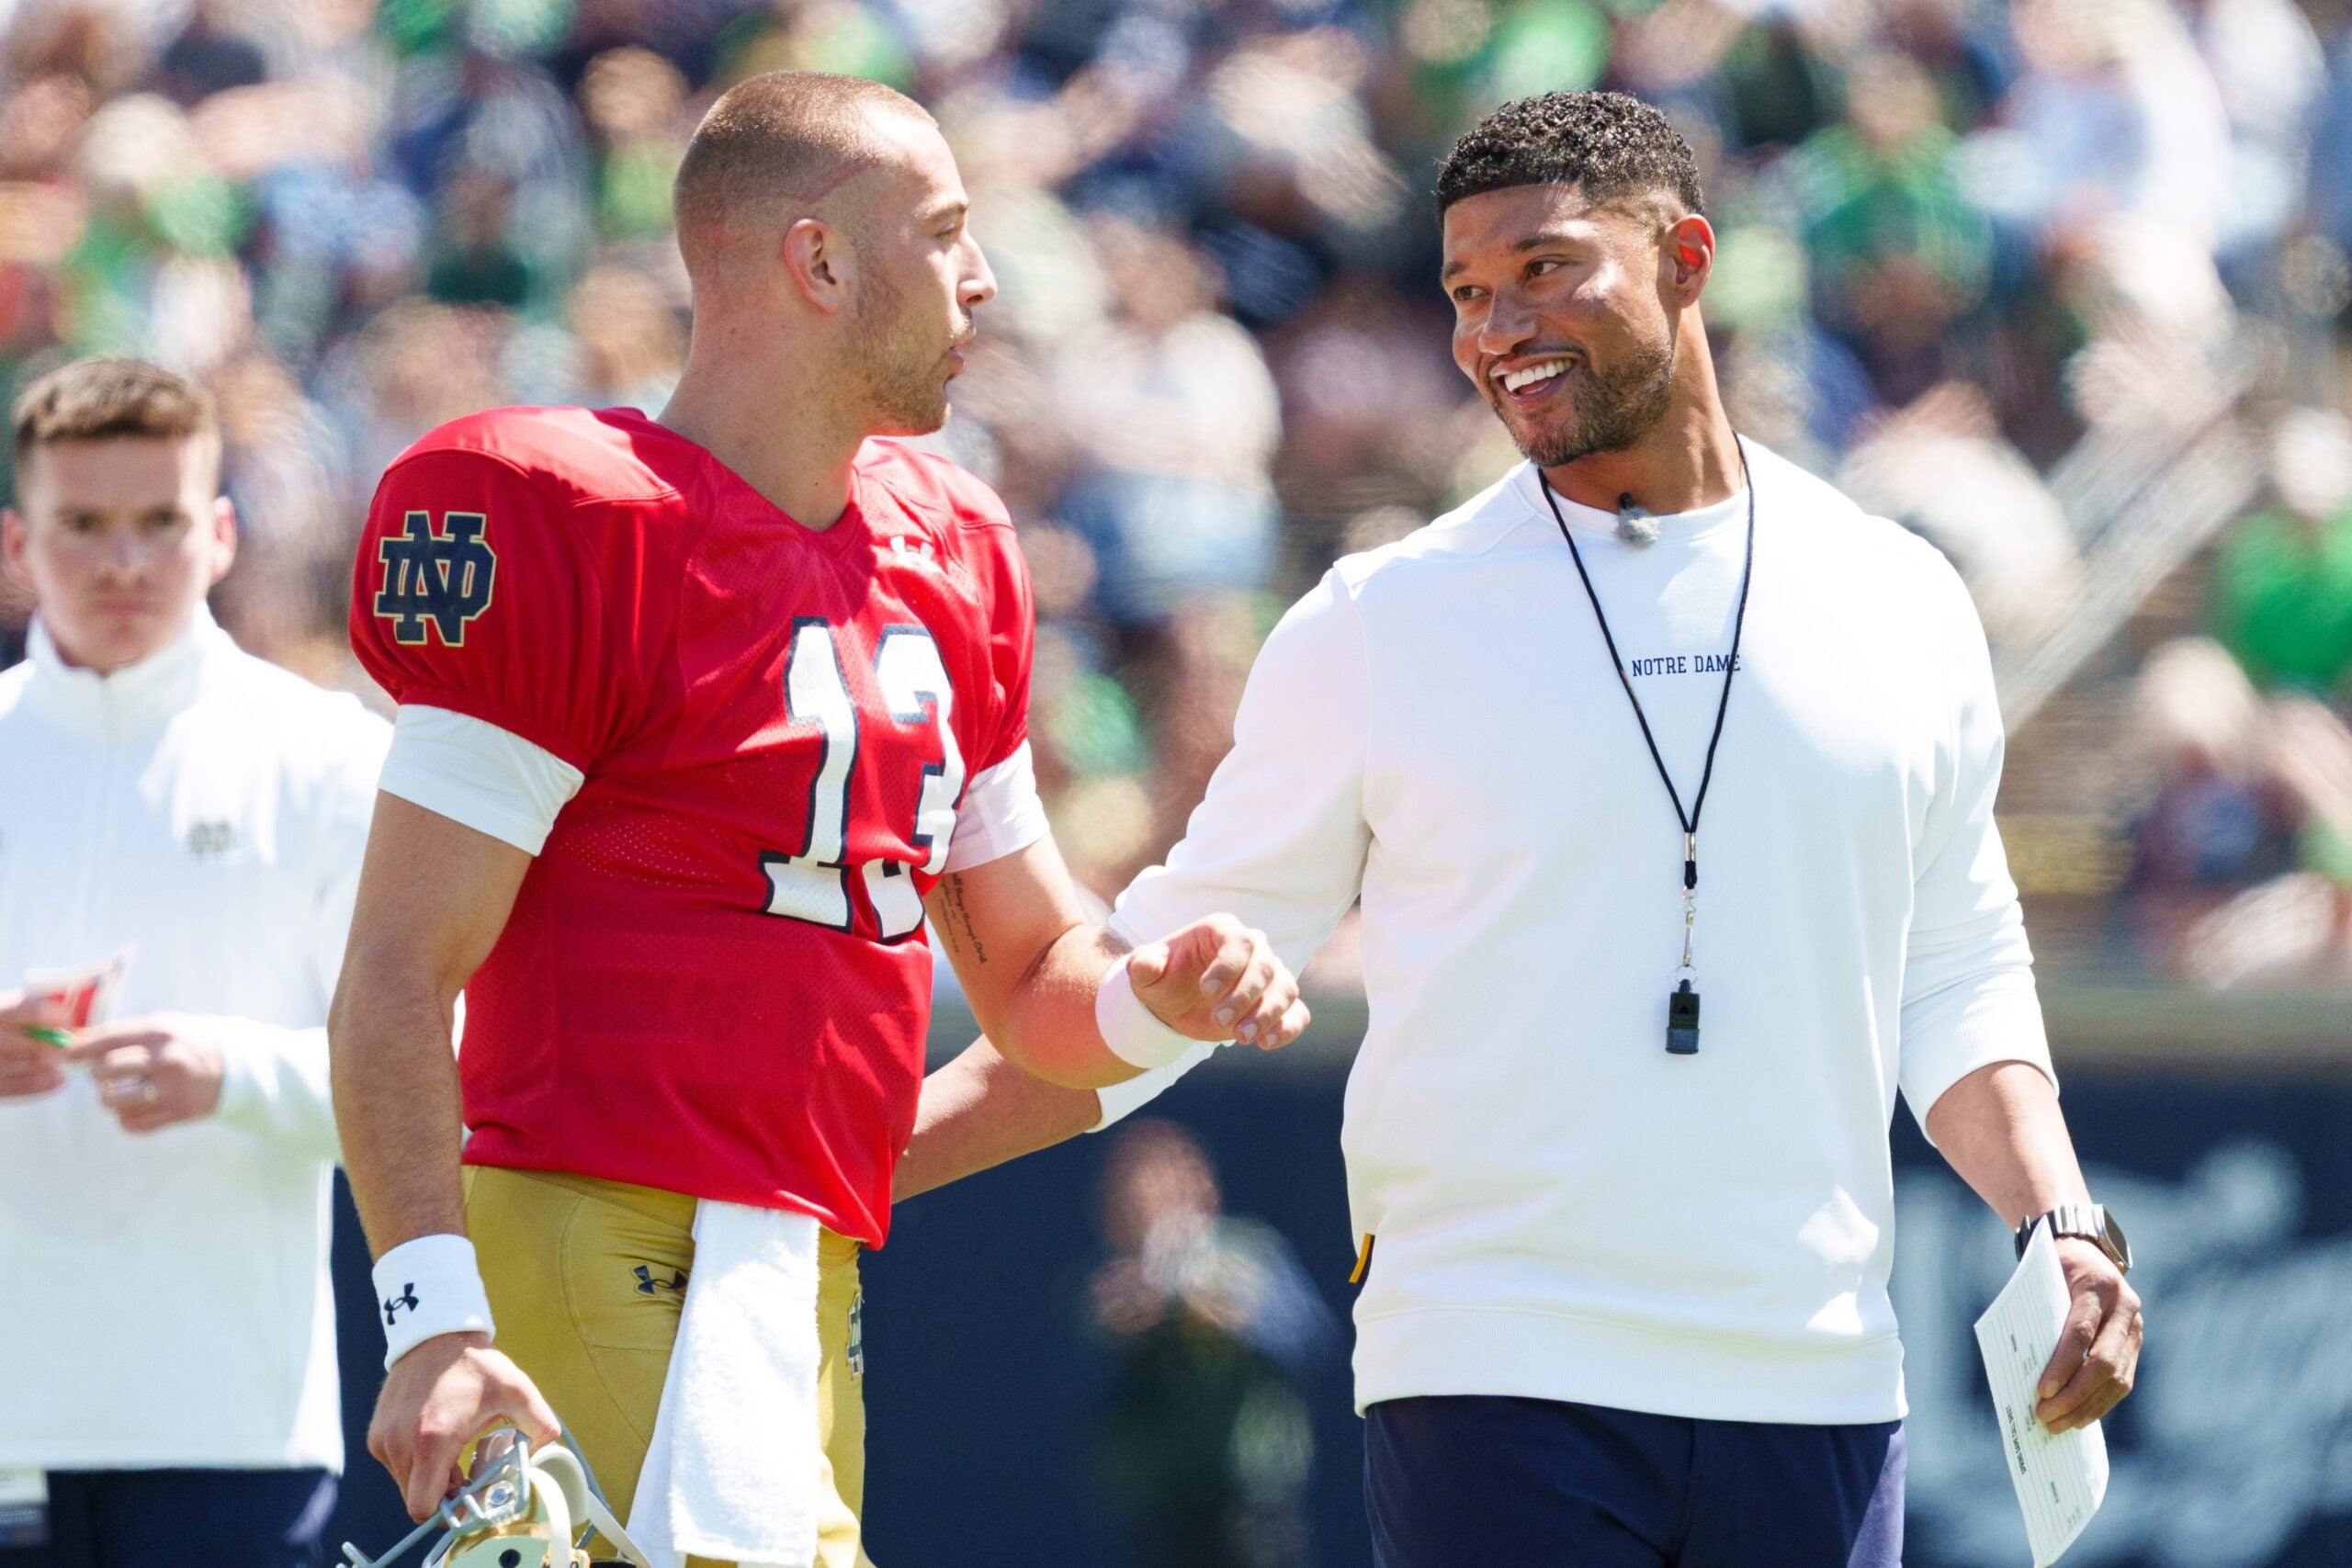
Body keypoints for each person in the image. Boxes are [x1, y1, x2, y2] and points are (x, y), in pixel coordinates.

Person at [899, 92, 2143, 1567]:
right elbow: (1139, 998)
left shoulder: (1903, 599)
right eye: (1467, 292)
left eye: (1545, 268)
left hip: (1819, 1383)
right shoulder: (1380, 619)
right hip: (1491, 1380)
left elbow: (1957, 972)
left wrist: (2062, 1221)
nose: (1496, 326)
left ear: (1686, 257)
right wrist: (852, 1157)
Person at [330, 70, 1308, 1565]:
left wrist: (1149, 999)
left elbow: (1039, 991)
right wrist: (435, 1322)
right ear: (822, 261)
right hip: (595, 1228)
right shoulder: (570, 517)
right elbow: (398, 973)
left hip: (804, 1268)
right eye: (945, 229)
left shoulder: (958, 548)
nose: (984, 275)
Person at [0, 357, 386, 1567]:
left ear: (220, 532)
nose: (121, 562)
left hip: (238, 1434)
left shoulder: (330, 759)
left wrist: (232, 1073)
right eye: (83, 526)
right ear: (20, 541)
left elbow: (440, 1079)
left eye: (158, 521)